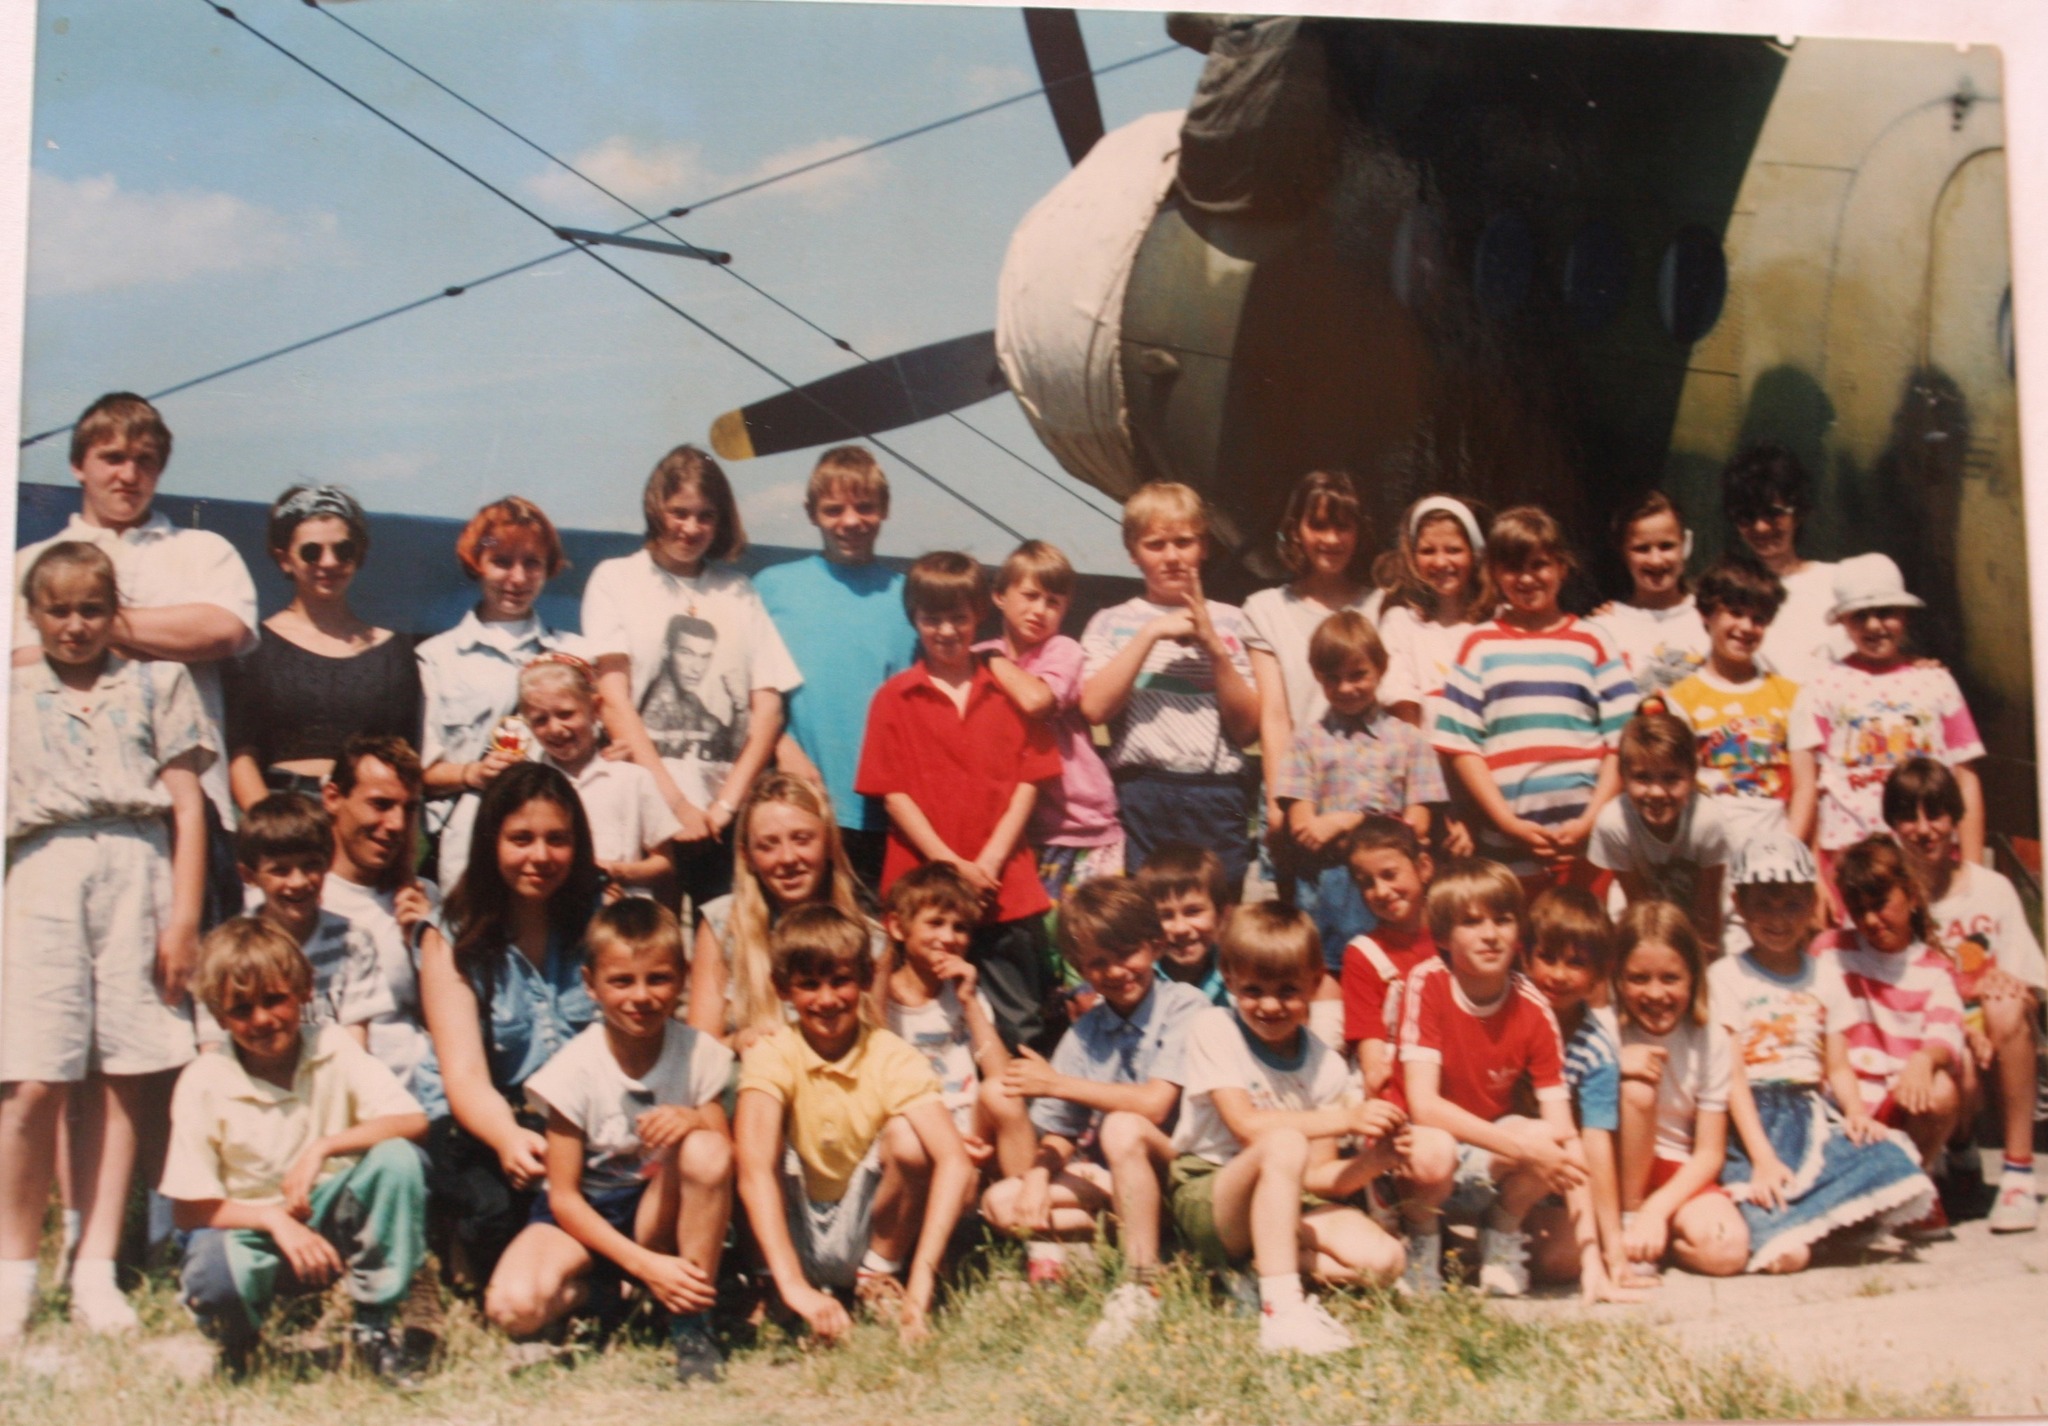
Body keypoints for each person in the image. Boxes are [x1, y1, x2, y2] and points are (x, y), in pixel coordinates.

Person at [1, 541, 212, 1339]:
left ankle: (96, 1266)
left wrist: (183, 919)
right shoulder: (13, 693)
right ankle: (16, 1270)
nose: (77, 626)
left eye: (92, 609)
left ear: (114, 612)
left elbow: (188, 809)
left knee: (125, 1073)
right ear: (33, 615)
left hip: (137, 867)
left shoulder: (158, 682)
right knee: (30, 1081)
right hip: (41, 870)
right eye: (59, 610)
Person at [10, 393, 257, 888]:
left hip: (186, 809)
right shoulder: (30, 560)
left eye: (144, 461)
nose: (129, 474)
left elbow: (223, 629)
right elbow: (20, 659)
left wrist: (86, 628)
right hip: (60, 812)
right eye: (113, 458)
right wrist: (163, 636)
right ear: (79, 465)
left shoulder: (202, 550)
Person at [165, 917, 427, 1380]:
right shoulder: (204, 1080)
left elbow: (412, 1120)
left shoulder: (331, 1046)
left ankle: (374, 1326)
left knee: (398, 1158)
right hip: (254, 1231)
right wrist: (272, 1219)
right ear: (220, 1016)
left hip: (328, 1220)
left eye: (273, 1000)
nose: (261, 1019)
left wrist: (324, 1147)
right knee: (212, 1270)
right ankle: (241, 1340)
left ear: (304, 991)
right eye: (241, 1009)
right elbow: (189, 1211)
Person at [487, 900, 734, 1381]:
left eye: (658, 978)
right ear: (590, 985)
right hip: (587, 1215)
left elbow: (728, 1158)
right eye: (621, 981)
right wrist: (643, 1266)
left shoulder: (699, 1053)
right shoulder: (572, 1071)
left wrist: (694, 1121)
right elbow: (564, 1199)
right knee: (512, 1307)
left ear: (683, 978)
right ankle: (619, 1294)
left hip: (657, 1210)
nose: (640, 997)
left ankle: (691, 1323)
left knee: (706, 1148)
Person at [1168, 901, 1408, 1354]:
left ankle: (1252, 1270)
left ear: (1315, 985)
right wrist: (1347, 1117)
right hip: (1213, 1191)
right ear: (1231, 978)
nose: (1271, 1005)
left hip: (1289, 1199)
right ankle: (1282, 1313)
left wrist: (1375, 1161)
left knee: (1386, 1259)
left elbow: (1319, 1176)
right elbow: (1245, 1126)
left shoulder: (1325, 1065)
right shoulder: (1214, 1027)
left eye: (1288, 990)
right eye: (1254, 990)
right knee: (1281, 1142)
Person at [981, 878, 1208, 1345]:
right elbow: (1061, 1131)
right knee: (1002, 1202)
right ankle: (1137, 1240)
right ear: (1082, 968)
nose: (1115, 972)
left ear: (1155, 945)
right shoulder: (1088, 1031)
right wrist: (1040, 1177)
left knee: (1124, 1127)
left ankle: (1142, 1283)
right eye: (1098, 963)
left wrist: (1058, 1083)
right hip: (1117, 1183)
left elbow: (1155, 1102)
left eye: (1126, 953)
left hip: (1182, 1170)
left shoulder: (1185, 1005)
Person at [733, 905, 974, 1345]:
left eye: (840, 981)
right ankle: (775, 1284)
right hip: (793, 1221)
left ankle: (879, 1275)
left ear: (865, 980)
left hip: (862, 1224)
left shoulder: (893, 1055)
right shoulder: (773, 1052)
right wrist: (794, 1286)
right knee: (750, 1135)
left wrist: (921, 1293)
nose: (827, 1000)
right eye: (809, 985)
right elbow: (753, 1171)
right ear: (783, 990)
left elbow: (955, 1163)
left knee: (911, 1138)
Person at [857, 551, 1062, 1053]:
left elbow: (1029, 781)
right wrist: (948, 864)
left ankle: (1021, 1124)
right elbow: (893, 792)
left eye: (958, 617)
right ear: (914, 619)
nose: (946, 630)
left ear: (978, 616)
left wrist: (989, 859)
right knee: (911, 1023)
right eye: (932, 618)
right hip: (922, 888)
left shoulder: (1008, 689)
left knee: (1018, 1023)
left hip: (1002, 885)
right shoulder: (894, 697)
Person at [582, 445, 800, 909]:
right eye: (679, 513)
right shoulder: (615, 579)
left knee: (721, 954)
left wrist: (723, 808)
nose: (691, 528)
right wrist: (677, 807)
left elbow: (768, 709)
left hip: (723, 821)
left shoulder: (737, 591)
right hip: (645, 814)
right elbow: (614, 700)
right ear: (655, 508)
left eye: (706, 516)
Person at [1708, 832, 1935, 1272]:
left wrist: (1855, 1113)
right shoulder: (1727, 976)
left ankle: (1824, 1220)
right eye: (1764, 904)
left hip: (1808, 1114)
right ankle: (1796, 1224)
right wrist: (1763, 1158)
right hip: (1752, 1123)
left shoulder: (1824, 975)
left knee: (1890, 1158)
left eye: (1792, 904)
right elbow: (1732, 1077)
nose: (1778, 918)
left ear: (1811, 904)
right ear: (1739, 903)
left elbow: (1837, 1065)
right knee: (1786, 1254)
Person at [414, 762, 604, 1284]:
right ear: (490, 842)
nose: (539, 856)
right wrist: (507, 1139)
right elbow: (465, 1078)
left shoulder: (600, 915)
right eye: (521, 839)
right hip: (489, 1124)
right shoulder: (449, 934)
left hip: (579, 1121)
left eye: (557, 840)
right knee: (495, 1225)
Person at [1395, 859, 1586, 1297]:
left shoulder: (1533, 1007)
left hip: (1489, 1152)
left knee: (1549, 1137)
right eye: (1471, 922)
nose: (1490, 933)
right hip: (1429, 1149)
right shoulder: (1428, 983)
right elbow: (1423, 1106)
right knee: (1433, 1149)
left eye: (1503, 919)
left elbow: (1562, 1128)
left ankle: (1501, 1233)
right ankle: (1422, 1243)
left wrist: (1595, 1256)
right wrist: (1523, 1149)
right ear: (1443, 937)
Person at [1431, 506, 1633, 894]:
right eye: (1511, 567)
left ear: (1562, 566)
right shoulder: (1478, 645)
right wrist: (1507, 823)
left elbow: (1623, 741)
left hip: (1589, 845)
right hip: (1508, 848)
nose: (1526, 578)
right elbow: (1461, 746)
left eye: (1539, 564)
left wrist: (1590, 819)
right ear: (1492, 572)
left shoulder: (1593, 641)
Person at [1885, 758, 2045, 1231]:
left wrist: (2010, 985)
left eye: (1935, 814)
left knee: (2005, 1005)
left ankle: (2017, 1172)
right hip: (1927, 1034)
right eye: (1908, 817)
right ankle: (1958, 1148)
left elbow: (2033, 986)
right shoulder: (1892, 899)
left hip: (1989, 1028)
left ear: (1955, 819)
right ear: (1893, 825)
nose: (1923, 829)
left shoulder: (1990, 890)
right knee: (1954, 1057)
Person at [1080, 482, 1259, 888]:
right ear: (1133, 552)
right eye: (1156, 545)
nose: (1173, 557)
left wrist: (1215, 648)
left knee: (1215, 918)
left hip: (1215, 791)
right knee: (1145, 918)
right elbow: (1094, 708)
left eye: (1184, 542)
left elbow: (1247, 727)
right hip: (1141, 791)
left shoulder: (1235, 621)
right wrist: (1150, 634)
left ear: (1205, 546)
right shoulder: (1110, 622)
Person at [754, 447, 917, 890]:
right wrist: (782, 746)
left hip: (883, 815)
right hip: (800, 813)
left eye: (865, 507)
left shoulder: (909, 597)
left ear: (884, 509)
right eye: (833, 509)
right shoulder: (772, 588)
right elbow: (744, 690)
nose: (850, 521)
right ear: (811, 514)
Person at [415, 496, 589, 892]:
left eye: (532, 563)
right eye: (502, 561)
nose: (517, 577)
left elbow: (605, 746)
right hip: (470, 849)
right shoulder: (437, 657)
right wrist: (470, 773)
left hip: (553, 854)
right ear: (477, 563)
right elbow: (422, 773)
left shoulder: (576, 654)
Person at [1790, 554, 1985, 880]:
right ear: (1842, 621)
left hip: (1928, 855)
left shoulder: (1935, 681)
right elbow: (1811, 788)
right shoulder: (1821, 684)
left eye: (1885, 613)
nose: (1874, 626)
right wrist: (1814, 873)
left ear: (1904, 616)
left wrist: (1974, 869)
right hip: (1850, 861)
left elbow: (1966, 779)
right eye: (1860, 616)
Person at [224, 485, 419, 808]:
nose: (328, 562)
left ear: (358, 554)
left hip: (364, 815)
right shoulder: (253, 647)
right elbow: (241, 753)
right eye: (311, 552)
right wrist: (269, 827)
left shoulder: (394, 652)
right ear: (284, 558)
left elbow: (405, 757)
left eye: (343, 550)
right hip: (282, 810)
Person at [1273, 610, 1445, 969]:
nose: (1347, 688)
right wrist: (1374, 825)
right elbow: (1304, 828)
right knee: (1331, 973)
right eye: (1332, 678)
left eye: (1358, 675)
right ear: (1317, 678)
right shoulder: (1307, 742)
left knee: (1401, 970)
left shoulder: (1409, 740)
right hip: (1331, 885)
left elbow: (1418, 827)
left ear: (1380, 669)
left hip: (1392, 885)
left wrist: (1347, 821)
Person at [1242, 470, 1382, 892]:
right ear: (1296, 530)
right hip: (1300, 791)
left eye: (1343, 526)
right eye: (1319, 525)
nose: (1332, 539)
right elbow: (1276, 716)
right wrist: (1278, 802)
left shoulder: (1381, 605)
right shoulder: (1265, 608)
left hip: (1367, 793)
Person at [1816, 837, 1968, 1214]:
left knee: (1943, 1089)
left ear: (1912, 896)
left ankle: (1909, 1185)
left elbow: (1946, 1033)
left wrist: (1924, 1060)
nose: (1870, 920)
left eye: (1880, 904)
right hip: (1835, 1105)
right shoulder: (1830, 950)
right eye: (1858, 909)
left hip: (1896, 1102)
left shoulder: (1932, 970)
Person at [688, 772, 882, 1048]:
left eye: (802, 839)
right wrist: (738, 1042)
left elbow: (876, 1046)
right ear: (748, 857)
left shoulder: (871, 939)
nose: (788, 858)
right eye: (768, 845)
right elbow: (699, 1048)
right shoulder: (722, 925)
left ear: (828, 843)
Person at [978, 540, 1124, 902]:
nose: (1039, 610)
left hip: (1080, 825)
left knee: (1087, 940)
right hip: (1019, 829)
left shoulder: (1063, 651)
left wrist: (992, 662)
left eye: (1053, 602)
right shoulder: (976, 655)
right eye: (1029, 595)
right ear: (999, 595)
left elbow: (1037, 700)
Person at [1612, 901, 1749, 1277]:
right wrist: (1614, 1063)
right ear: (1618, 978)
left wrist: (1658, 1209)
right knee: (1637, 1086)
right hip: (1617, 1171)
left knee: (1728, 1251)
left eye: (1670, 978)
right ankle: (1631, 1223)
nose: (1655, 994)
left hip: (1676, 1171)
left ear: (1693, 977)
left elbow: (1708, 1153)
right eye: (1639, 978)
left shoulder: (1709, 1039)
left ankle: (1659, 1238)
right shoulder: (1607, 1026)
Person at [1520, 887, 1641, 1300]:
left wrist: (1612, 1248)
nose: (1557, 974)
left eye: (1576, 963)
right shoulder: (1506, 1011)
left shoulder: (1594, 1048)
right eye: (1547, 958)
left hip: (1546, 1179)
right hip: (1493, 1154)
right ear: (1525, 956)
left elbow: (1595, 1145)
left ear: (1600, 973)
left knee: (1562, 1260)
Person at [879, 864, 1034, 1179]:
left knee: (1000, 1094)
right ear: (897, 927)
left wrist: (969, 1001)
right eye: (935, 923)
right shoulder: (883, 1000)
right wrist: (946, 1141)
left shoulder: (964, 995)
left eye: (960, 927)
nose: (948, 938)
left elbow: (1003, 1079)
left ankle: (1023, 1204)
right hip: (914, 1131)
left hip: (972, 1129)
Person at [320, 736, 439, 1097]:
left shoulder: (423, 899)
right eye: (381, 805)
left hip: (419, 1099)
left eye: (408, 809)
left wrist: (427, 943)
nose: (397, 825)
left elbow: (453, 1024)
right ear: (333, 799)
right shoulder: (297, 899)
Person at [1663, 556, 1809, 846]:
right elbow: (1677, 787)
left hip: (1774, 851)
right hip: (1708, 852)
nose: (1746, 627)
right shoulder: (1680, 699)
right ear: (1706, 613)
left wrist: (1789, 848)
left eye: (1758, 619)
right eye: (1736, 612)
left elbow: (1805, 787)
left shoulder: (1790, 695)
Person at [518, 655, 680, 896]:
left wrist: (618, 872)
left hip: (619, 919)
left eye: (565, 714)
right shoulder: (524, 784)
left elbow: (665, 862)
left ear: (594, 709)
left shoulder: (632, 779)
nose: (555, 728)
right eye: (540, 720)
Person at [234, 793, 387, 1046]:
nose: (299, 882)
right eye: (280, 870)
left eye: (311, 865)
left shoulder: (352, 942)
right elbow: (217, 1050)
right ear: (249, 875)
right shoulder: (230, 950)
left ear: (328, 863)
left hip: (333, 1077)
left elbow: (355, 1047)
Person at [1589, 712, 1733, 946]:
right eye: (1642, 778)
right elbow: (1637, 903)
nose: (1656, 792)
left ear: (1692, 775)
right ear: (1624, 777)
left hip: (1705, 911)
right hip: (1643, 907)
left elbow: (1708, 907)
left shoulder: (1707, 820)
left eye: (1671, 778)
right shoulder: (1614, 822)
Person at [1719, 441, 1845, 687]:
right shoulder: (1726, 589)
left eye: (1773, 513)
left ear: (1799, 512)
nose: (1760, 527)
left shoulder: (1836, 581)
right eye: (1746, 516)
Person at [1374, 494, 1492, 735]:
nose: (1440, 561)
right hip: (1427, 765)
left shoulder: (1496, 621)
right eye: (1428, 551)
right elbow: (1404, 715)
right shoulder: (1401, 625)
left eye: (1454, 550)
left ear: (1475, 554)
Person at [1339, 816, 1437, 1096]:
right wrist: (1379, 1084)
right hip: (1399, 1079)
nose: (1381, 891)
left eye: (1389, 875)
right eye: (1367, 883)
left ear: (1423, 867)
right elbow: (1372, 1048)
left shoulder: (1455, 938)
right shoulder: (1363, 955)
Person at [1594, 490, 1708, 698]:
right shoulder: (1604, 629)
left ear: (1685, 544)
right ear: (1623, 552)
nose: (1655, 560)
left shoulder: (1710, 618)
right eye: (1642, 549)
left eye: (1666, 546)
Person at [1137, 842, 1232, 1006]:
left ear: (1221, 915)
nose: (1181, 929)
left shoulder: (1236, 972)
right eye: (1165, 916)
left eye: (1193, 911)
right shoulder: (1139, 979)